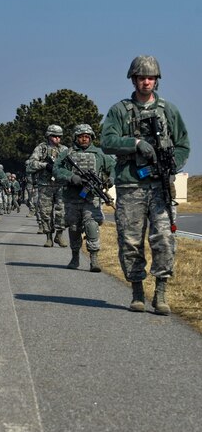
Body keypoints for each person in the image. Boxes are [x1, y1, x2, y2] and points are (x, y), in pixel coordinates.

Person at [101, 55, 190, 313]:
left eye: (150, 77)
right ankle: (137, 292)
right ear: (134, 79)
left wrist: (171, 166)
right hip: (131, 186)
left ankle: (160, 293)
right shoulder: (119, 111)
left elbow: (183, 144)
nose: (146, 82)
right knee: (130, 241)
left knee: (163, 239)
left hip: (160, 185)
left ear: (156, 80)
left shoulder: (169, 111)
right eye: (141, 77)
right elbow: (107, 142)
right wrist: (136, 143)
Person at [53, 124, 116, 272]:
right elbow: (56, 169)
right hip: (72, 197)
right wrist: (71, 176)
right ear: (76, 137)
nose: (84, 139)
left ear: (91, 138)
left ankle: (94, 260)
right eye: (81, 136)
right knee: (74, 228)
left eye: (87, 136)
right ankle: (75, 257)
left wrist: (111, 178)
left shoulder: (100, 154)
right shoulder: (67, 153)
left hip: (91, 198)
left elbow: (114, 167)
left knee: (91, 225)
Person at [26, 125, 68, 247]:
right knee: (45, 212)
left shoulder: (65, 150)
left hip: (60, 185)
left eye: (59, 136)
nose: (57, 139)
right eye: (55, 136)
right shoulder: (41, 148)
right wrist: (45, 165)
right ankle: (48, 237)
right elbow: (31, 165)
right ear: (49, 136)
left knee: (62, 211)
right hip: (45, 185)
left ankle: (59, 236)